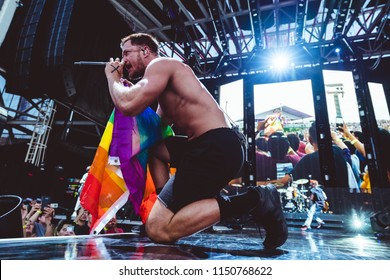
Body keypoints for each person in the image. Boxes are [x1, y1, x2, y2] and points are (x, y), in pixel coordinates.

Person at [104, 33, 287, 249]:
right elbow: (155, 131)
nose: (122, 59)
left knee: (158, 230)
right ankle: (168, 201)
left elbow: (128, 105)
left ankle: (255, 199)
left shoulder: (161, 64)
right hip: (208, 147)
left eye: (126, 53)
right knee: (155, 148)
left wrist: (113, 78)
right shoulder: (164, 86)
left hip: (216, 147)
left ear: (145, 51)